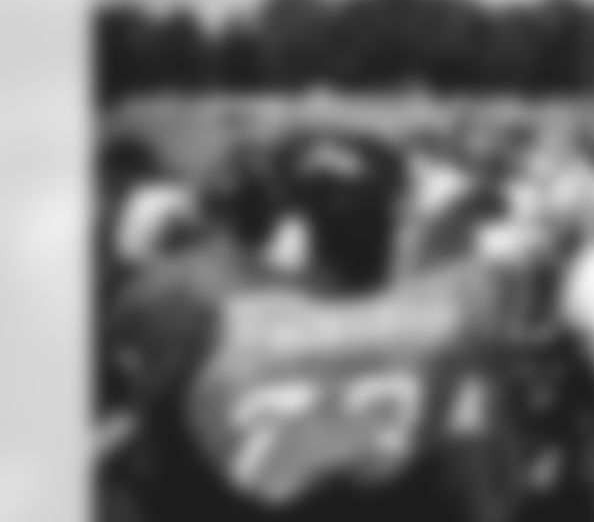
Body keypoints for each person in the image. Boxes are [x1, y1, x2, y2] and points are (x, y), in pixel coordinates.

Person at [99, 130, 523, 522]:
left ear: (294, 224)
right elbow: (483, 485)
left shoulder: (184, 297)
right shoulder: (454, 309)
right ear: (392, 221)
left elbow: (158, 457)